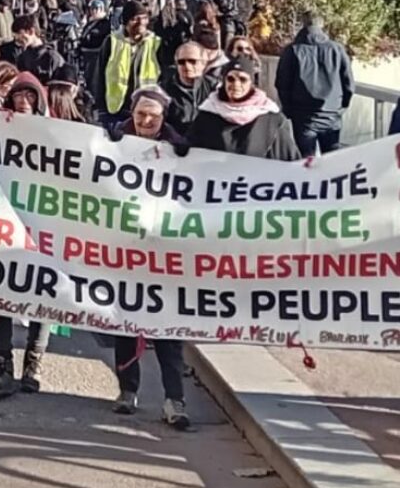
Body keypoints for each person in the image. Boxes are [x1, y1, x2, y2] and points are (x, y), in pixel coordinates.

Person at [106, 86, 190, 429]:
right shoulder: (112, 145)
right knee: (125, 322)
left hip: (164, 252)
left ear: (162, 117)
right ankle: (128, 390)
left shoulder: (181, 152)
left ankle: (175, 400)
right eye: (140, 114)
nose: (145, 121)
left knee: (168, 328)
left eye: (152, 116)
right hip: (125, 249)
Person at [0, 71, 51, 398]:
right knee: (0, 293)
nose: (24, 102)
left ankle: (33, 366)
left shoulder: (55, 134)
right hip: (4, 225)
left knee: (44, 297)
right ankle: (1, 364)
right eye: (19, 95)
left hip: (44, 228)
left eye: (31, 96)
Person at [187, 56, 300, 160]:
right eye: (231, 79)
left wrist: (308, 169)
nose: (236, 84)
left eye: (243, 79)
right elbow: (188, 152)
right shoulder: (208, 115)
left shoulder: (271, 120)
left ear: (251, 83)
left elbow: (291, 160)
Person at [275, 12, 354, 155]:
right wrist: (341, 107)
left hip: (303, 115)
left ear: (303, 24)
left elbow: (282, 83)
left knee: (307, 163)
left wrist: (288, 110)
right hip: (332, 114)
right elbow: (348, 82)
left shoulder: (292, 50)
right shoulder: (337, 49)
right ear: (322, 25)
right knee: (332, 161)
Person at [92, 1, 161, 128]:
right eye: (135, 19)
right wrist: (101, 109)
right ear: (126, 22)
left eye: (144, 18)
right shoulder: (112, 42)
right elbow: (99, 76)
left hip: (145, 111)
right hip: (114, 110)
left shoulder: (155, 43)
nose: (141, 23)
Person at [160, 41, 211, 136]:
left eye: (192, 61)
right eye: (181, 62)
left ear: (204, 63)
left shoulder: (216, 89)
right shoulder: (162, 91)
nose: (187, 66)